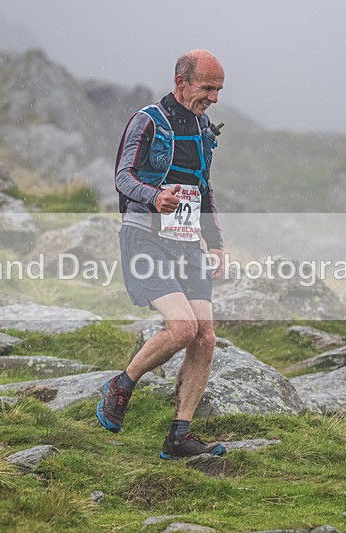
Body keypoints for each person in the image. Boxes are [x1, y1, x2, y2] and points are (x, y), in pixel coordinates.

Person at [97, 49, 227, 459]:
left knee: (205, 336)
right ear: (181, 82)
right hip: (145, 238)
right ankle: (122, 384)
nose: (214, 98)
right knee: (182, 328)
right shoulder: (148, 121)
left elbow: (203, 190)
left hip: (187, 244)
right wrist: (155, 197)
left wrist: (217, 243)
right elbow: (122, 177)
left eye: (219, 90)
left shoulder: (205, 129)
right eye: (208, 88)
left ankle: (179, 437)